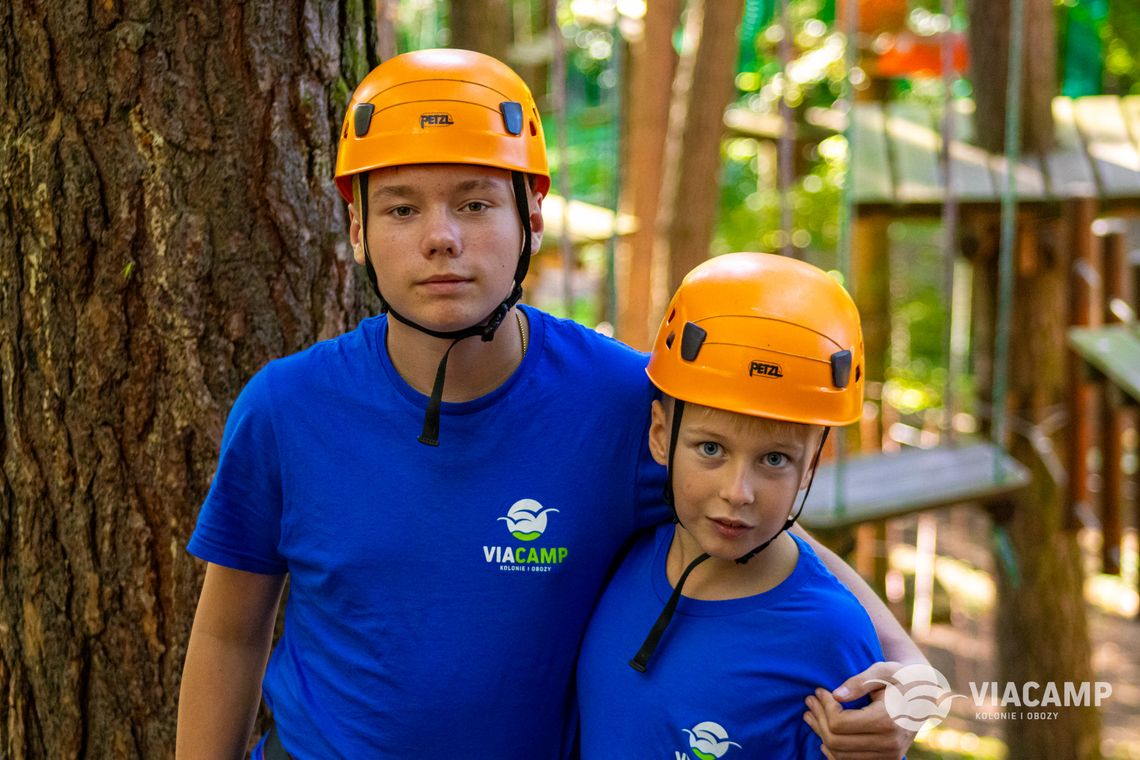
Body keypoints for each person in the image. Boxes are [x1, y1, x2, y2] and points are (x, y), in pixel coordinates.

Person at [176, 49, 919, 759]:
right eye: (402, 209)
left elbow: (760, 527)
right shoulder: (286, 409)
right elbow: (230, 636)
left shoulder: (627, 405)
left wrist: (911, 675)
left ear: (532, 217)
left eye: (474, 204)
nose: (441, 238)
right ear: (357, 230)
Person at [577, 252, 889, 758]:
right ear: (660, 436)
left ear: (810, 468)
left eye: (773, 459)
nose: (737, 492)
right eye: (711, 449)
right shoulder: (624, 553)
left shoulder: (829, 638)